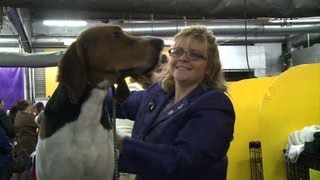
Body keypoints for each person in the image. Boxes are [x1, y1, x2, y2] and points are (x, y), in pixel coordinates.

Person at [113, 25, 235, 180]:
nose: (183, 58)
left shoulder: (215, 106)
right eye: (177, 52)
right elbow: (120, 103)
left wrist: (122, 143)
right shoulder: (158, 94)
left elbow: (182, 162)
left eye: (195, 55)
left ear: (209, 67)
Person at [13, 100, 38, 180]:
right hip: (28, 144)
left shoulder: (18, 115)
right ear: (27, 107)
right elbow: (39, 123)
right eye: (30, 105)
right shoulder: (27, 117)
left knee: (18, 166)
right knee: (26, 166)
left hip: (19, 143)